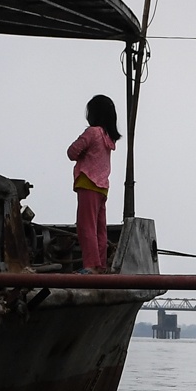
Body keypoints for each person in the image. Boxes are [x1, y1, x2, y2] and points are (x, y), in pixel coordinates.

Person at [68, 95, 120, 271]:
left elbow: (71, 152)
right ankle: (100, 265)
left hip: (88, 182)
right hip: (102, 188)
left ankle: (90, 265)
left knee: (85, 227)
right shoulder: (108, 138)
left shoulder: (92, 132)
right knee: (100, 229)